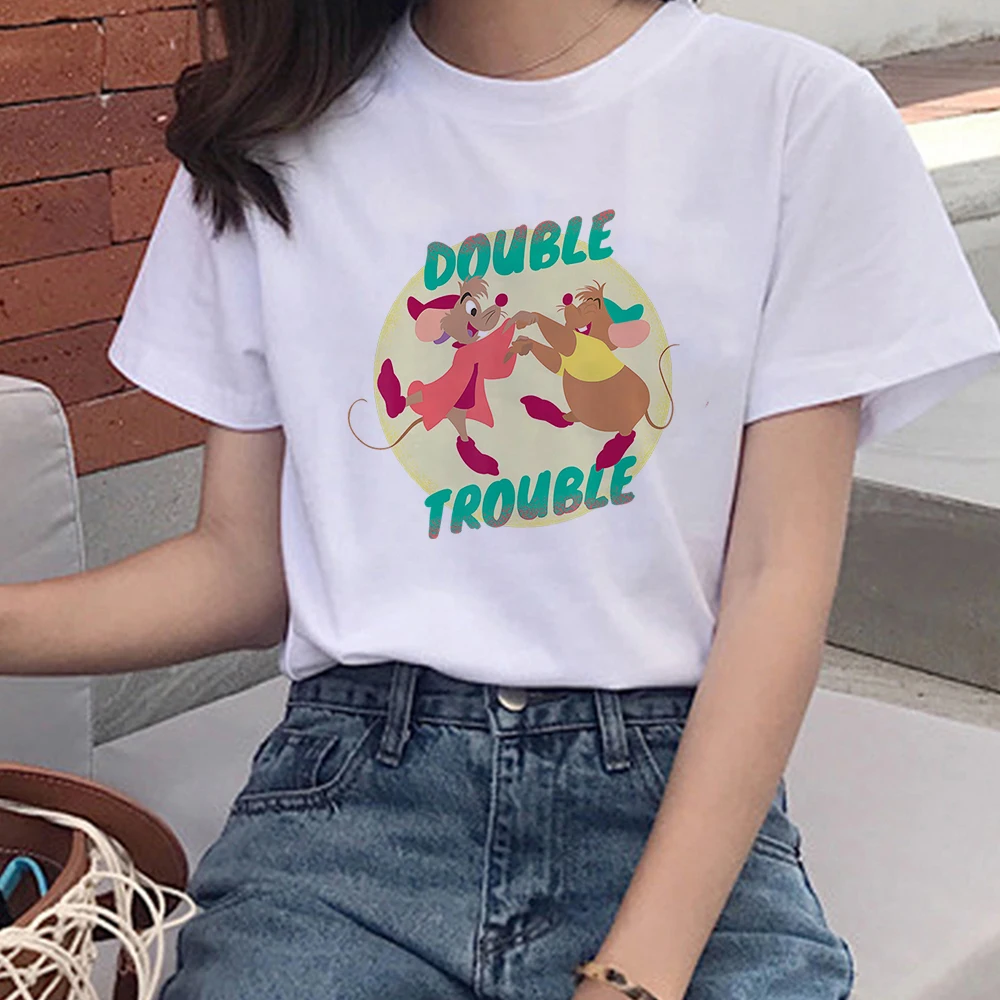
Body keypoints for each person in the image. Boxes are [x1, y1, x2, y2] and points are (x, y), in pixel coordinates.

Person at [2, 0, 998, 997]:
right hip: (354, 806)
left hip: (667, 792)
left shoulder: (793, 113)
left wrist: (633, 976)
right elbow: (240, 569)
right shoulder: (266, 142)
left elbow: (776, 578)